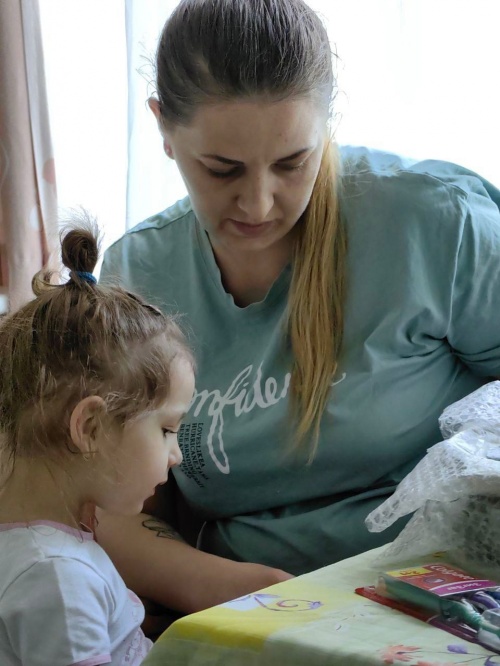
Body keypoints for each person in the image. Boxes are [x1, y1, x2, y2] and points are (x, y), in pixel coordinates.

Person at [99, 0, 500, 617]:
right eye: (222, 169)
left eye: (292, 163)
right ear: (163, 129)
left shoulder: (438, 222)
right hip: (241, 610)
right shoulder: (138, 273)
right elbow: (112, 509)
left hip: (450, 596)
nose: (259, 204)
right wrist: (237, 593)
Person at [0, 220, 195, 665]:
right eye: (166, 430)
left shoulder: (51, 553)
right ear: (89, 427)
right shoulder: (56, 576)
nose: (177, 455)